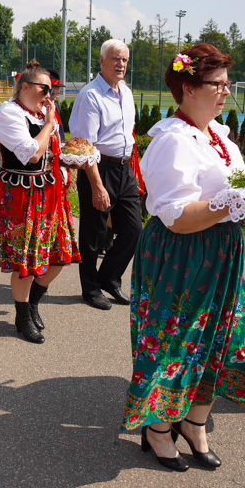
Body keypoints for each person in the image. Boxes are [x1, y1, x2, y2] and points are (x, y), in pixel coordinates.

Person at [122, 43, 245, 472]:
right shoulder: (173, 140)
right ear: (189, 88)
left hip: (222, 250)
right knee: (174, 342)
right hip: (182, 252)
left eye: (227, 84)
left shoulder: (221, 138)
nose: (225, 92)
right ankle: (157, 428)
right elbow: (175, 217)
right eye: (218, 84)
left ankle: (195, 423)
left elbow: (232, 197)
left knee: (222, 338)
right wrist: (235, 201)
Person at [0, 61, 80, 344]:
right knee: (25, 262)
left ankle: (32, 304)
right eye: (45, 88)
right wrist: (51, 125)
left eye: (52, 89)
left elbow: (51, 152)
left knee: (60, 254)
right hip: (20, 196)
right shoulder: (9, 114)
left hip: (49, 193)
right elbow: (30, 154)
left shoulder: (43, 113)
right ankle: (21, 317)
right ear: (26, 87)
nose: (50, 94)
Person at [69, 39, 142, 310]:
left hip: (125, 168)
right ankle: (90, 288)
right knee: (94, 233)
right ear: (101, 61)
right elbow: (86, 147)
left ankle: (109, 278)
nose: (120, 64)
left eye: (124, 59)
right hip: (99, 168)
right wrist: (98, 186)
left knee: (134, 230)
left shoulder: (126, 92)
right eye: (115, 58)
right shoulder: (90, 95)